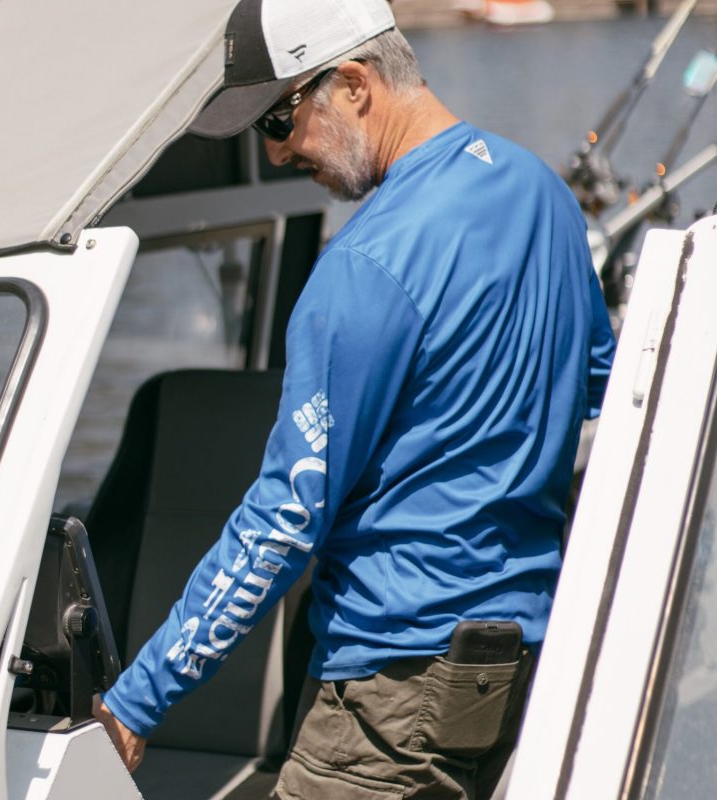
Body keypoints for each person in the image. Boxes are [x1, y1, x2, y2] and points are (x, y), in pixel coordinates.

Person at [93, 0, 615, 796]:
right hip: (522, 673)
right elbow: (599, 391)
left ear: (354, 83)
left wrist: (139, 697)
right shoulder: (543, 196)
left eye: (279, 119)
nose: (275, 154)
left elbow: (288, 513)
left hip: (393, 693)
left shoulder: (365, 265)